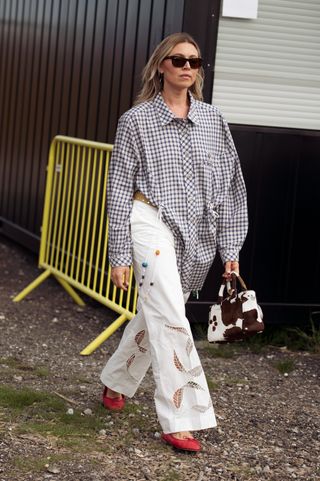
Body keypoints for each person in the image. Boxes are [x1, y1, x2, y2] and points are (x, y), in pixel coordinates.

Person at [100, 32, 248, 452]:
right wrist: (118, 254)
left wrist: (230, 250)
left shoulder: (214, 121)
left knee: (157, 314)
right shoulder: (136, 120)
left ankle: (116, 381)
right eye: (178, 60)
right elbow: (117, 189)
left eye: (194, 62)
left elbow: (234, 187)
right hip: (148, 222)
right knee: (171, 316)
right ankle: (181, 416)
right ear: (161, 65)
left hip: (197, 231)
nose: (187, 67)